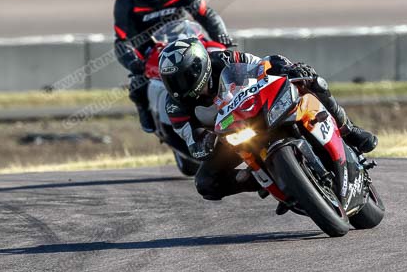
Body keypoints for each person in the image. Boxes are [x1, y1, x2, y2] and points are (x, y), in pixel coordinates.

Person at [157, 37, 378, 201]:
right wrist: (205, 143)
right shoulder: (174, 106)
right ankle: (264, 179)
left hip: (260, 105)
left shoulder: (223, 58)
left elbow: (263, 63)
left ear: (199, 66)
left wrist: (289, 68)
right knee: (205, 183)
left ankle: (350, 130)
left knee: (311, 80)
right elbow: (191, 141)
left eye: (184, 77)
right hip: (230, 137)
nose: (180, 85)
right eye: (172, 81)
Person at [113, 0, 233, 132]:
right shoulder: (124, 2)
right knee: (137, 85)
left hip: (187, 37)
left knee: (222, 56)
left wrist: (221, 36)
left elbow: (205, 14)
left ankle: (237, 97)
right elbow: (121, 42)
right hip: (150, 49)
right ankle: (145, 110)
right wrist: (133, 63)